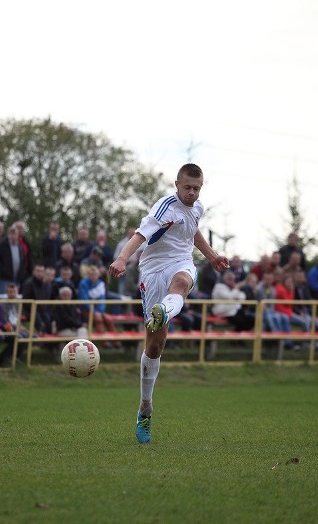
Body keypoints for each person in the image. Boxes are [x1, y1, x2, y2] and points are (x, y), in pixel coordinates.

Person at [109, 163, 229, 444]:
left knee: (183, 283)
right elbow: (140, 234)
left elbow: (193, 231)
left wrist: (210, 256)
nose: (191, 193)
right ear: (177, 184)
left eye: (197, 188)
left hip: (180, 263)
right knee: (155, 346)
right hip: (152, 270)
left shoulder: (197, 207)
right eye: (187, 187)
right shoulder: (165, 207)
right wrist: (123, 258)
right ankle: (145, 408)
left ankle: (164, 309)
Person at [77, 266, 114, 333]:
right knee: (99, 320)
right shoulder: (83, 283)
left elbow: (102, 301)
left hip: (99, 311)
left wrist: (99, 312)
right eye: (91, 275)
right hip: (86, 310)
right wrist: (94, 312)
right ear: (88, 275)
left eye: (95, 275)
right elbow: (84, 301)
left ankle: (115, 341)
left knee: (109, 320)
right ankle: (104, 342)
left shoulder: (101, 284)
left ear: (98, 275)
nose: (93, 276)